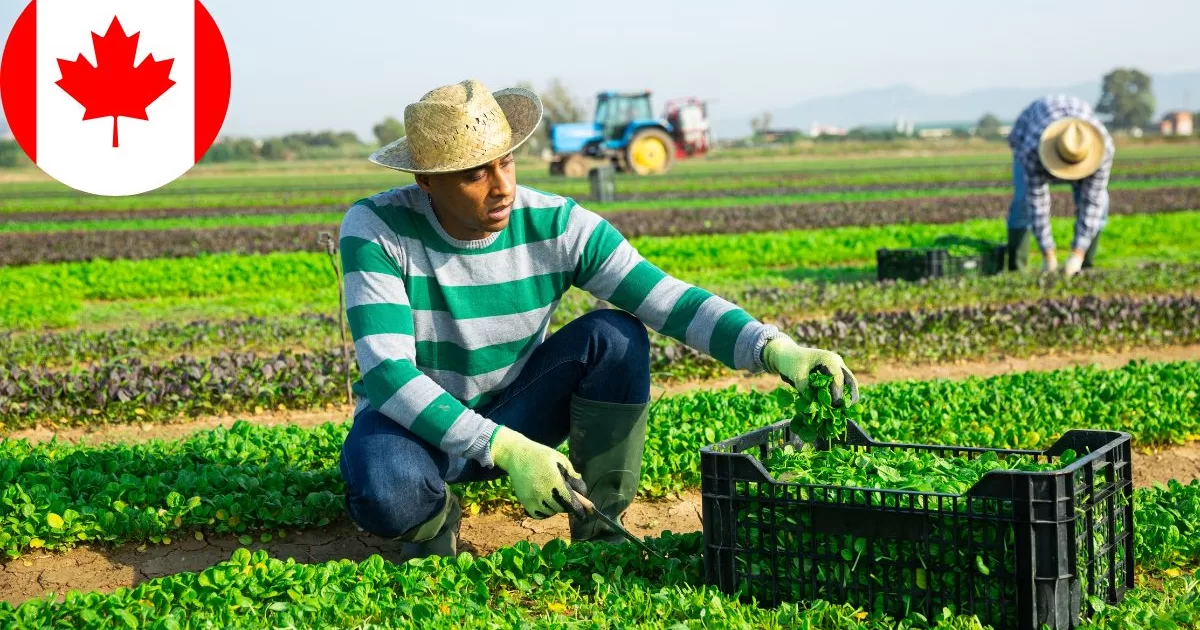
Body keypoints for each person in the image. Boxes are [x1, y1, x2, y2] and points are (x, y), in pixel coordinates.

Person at [336, 78, 859, 559]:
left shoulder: (558, 225)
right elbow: (388, 373)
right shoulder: (379, 228)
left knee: (616, 336)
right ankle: (433, 521)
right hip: (417, 427)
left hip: (515, 408)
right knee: (385, 487)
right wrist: (507, 449)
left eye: (507, 163)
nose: (502, 187)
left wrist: (775, 348)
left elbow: (668, 300)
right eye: (476, 174)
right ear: (427, 179)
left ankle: (600, 522)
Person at [1006, 95, 1114, 277]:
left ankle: (1083, 265)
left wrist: (1076, 254)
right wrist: (1049, 255)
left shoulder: (1103, 150)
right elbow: (1037, 203)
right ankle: (1017, 269)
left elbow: (1092, 202)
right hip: (1027, 134)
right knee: (1023, 202)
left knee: (1100, 204)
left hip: (1078, 139)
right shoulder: (1032, 150)